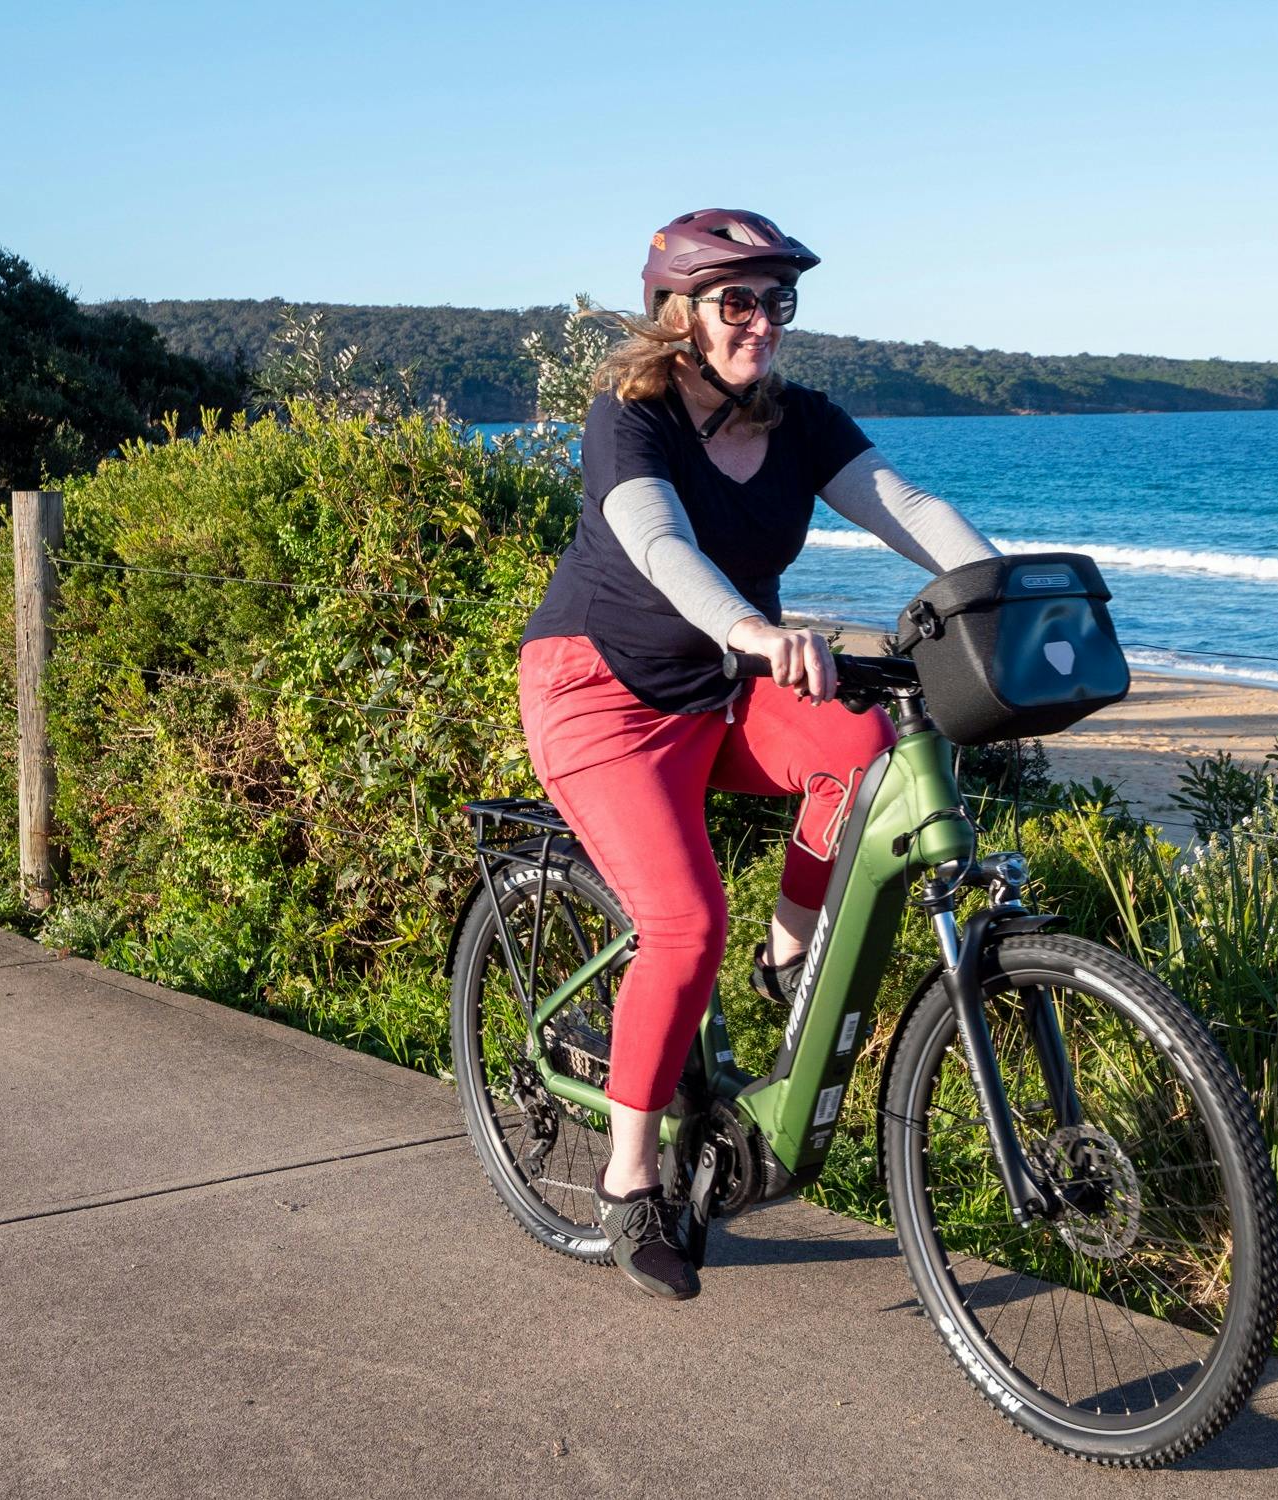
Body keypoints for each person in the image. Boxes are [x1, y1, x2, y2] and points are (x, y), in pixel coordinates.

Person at [518, 209, 999, 1300]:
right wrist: (745, 628)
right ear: (675, 315)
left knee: (865, 748)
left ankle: (792, 947)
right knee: (684, 923)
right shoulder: (627, 417)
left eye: (776, 301)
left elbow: (908, 509)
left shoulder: (799, 421)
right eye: (737, 300)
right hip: (601, 692)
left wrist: (997, 592)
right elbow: (656, 540)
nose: (761, 323)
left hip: (723, 692)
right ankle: (629, 1178)